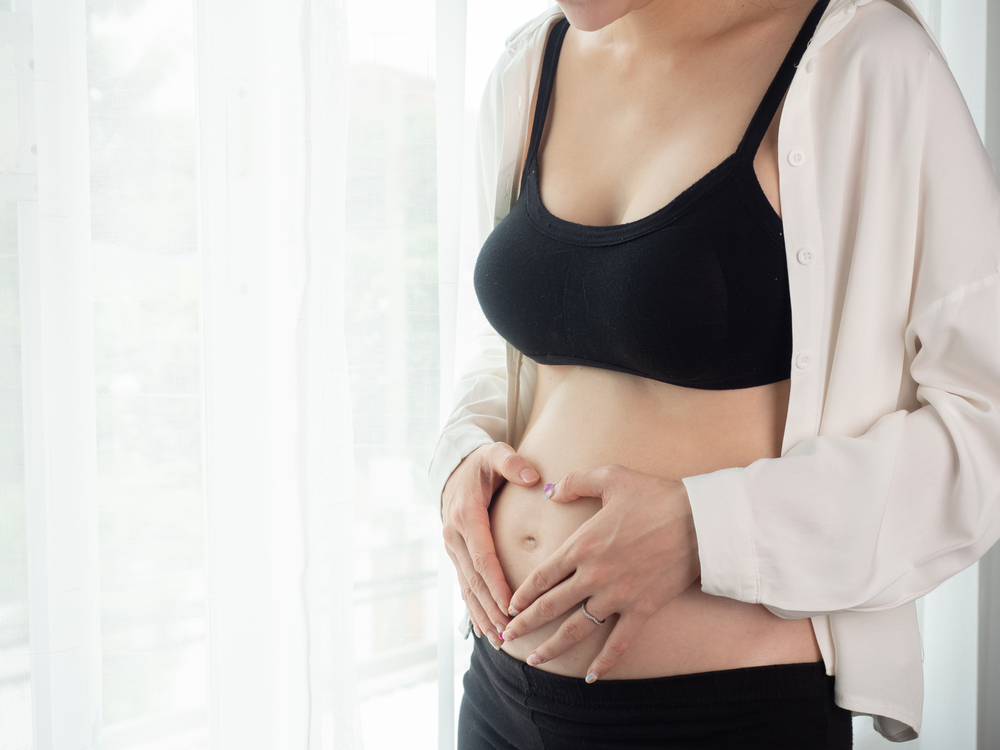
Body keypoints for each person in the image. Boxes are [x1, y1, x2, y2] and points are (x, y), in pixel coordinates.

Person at [428, 0, 1000, 746]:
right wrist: (460, 456)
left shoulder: (865, 60)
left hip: (723, 716)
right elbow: (517, 348)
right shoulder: (529, 65)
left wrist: (708, 530)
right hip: (499, 698)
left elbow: (984, 422)